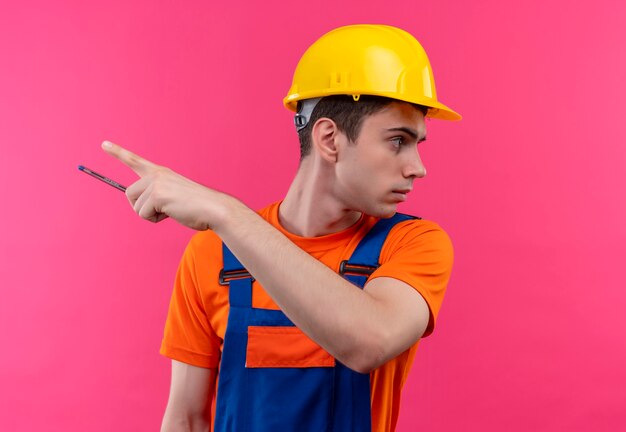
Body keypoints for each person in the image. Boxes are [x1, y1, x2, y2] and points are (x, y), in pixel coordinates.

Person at [103, 24, 460, 432]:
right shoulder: (210, 256)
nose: (418, 167)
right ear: (330, 139)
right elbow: (186, 419)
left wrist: (226, 213)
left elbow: (369, 341)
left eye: (418, 144)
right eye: (398, 140)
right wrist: (228, 223)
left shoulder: (413, 245)